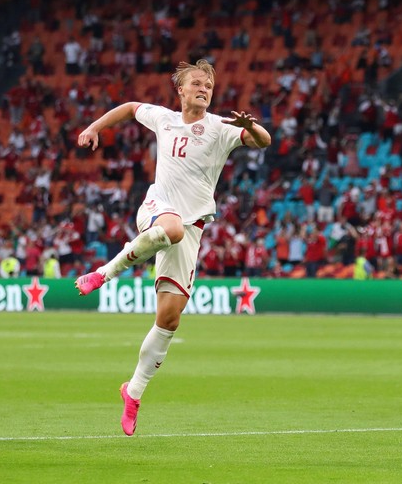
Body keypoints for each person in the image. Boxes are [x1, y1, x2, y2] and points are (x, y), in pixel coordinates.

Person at [74, 59, 271, 436]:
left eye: (208, 84)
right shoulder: (163, 118)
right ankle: (104, 273)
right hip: (157, 209)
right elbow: (131, 108)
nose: (204, 88)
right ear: (180, 91)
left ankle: (132, 392)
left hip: (192, 226)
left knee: (169, 319)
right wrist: (94, 127)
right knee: (172, 228)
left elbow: (264, 141)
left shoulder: (221, 127)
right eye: (196, 83)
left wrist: (252, 127)